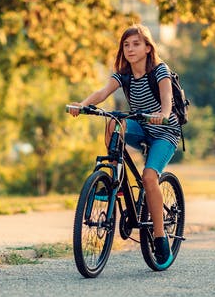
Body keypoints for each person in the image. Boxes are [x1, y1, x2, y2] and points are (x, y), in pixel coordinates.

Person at [68, 24, 181, 266]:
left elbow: (167, 101)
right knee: (113, 121)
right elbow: (102, 93)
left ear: (148, 48)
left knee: (150, 178)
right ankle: (113, 179)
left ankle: (160, 237)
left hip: (164, 132)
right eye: (126, 45)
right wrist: (82, 104)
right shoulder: (123, 73)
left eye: (136, 44)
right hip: (141, 126)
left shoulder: (159, 70)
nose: (130, 49)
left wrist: (162, 113)